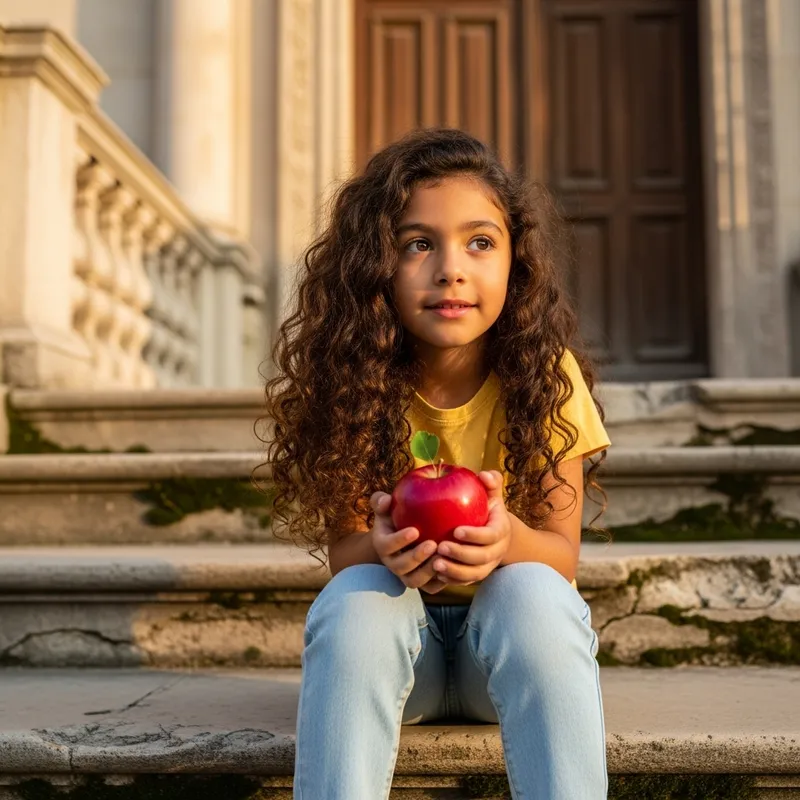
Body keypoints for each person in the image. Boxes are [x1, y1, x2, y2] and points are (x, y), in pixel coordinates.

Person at [261, 127, 611, 799]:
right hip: (403, 657)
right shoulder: (354, 382)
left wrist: (507, 541)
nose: (451, 268)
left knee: (536, 590)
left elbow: (562, 557)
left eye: (480, 243)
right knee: (355, 602)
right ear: (376, 268)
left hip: (501, 655)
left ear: (517, 264)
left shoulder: (548, 378)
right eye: (418, 244)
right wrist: (386, 547)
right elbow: (345, 553)